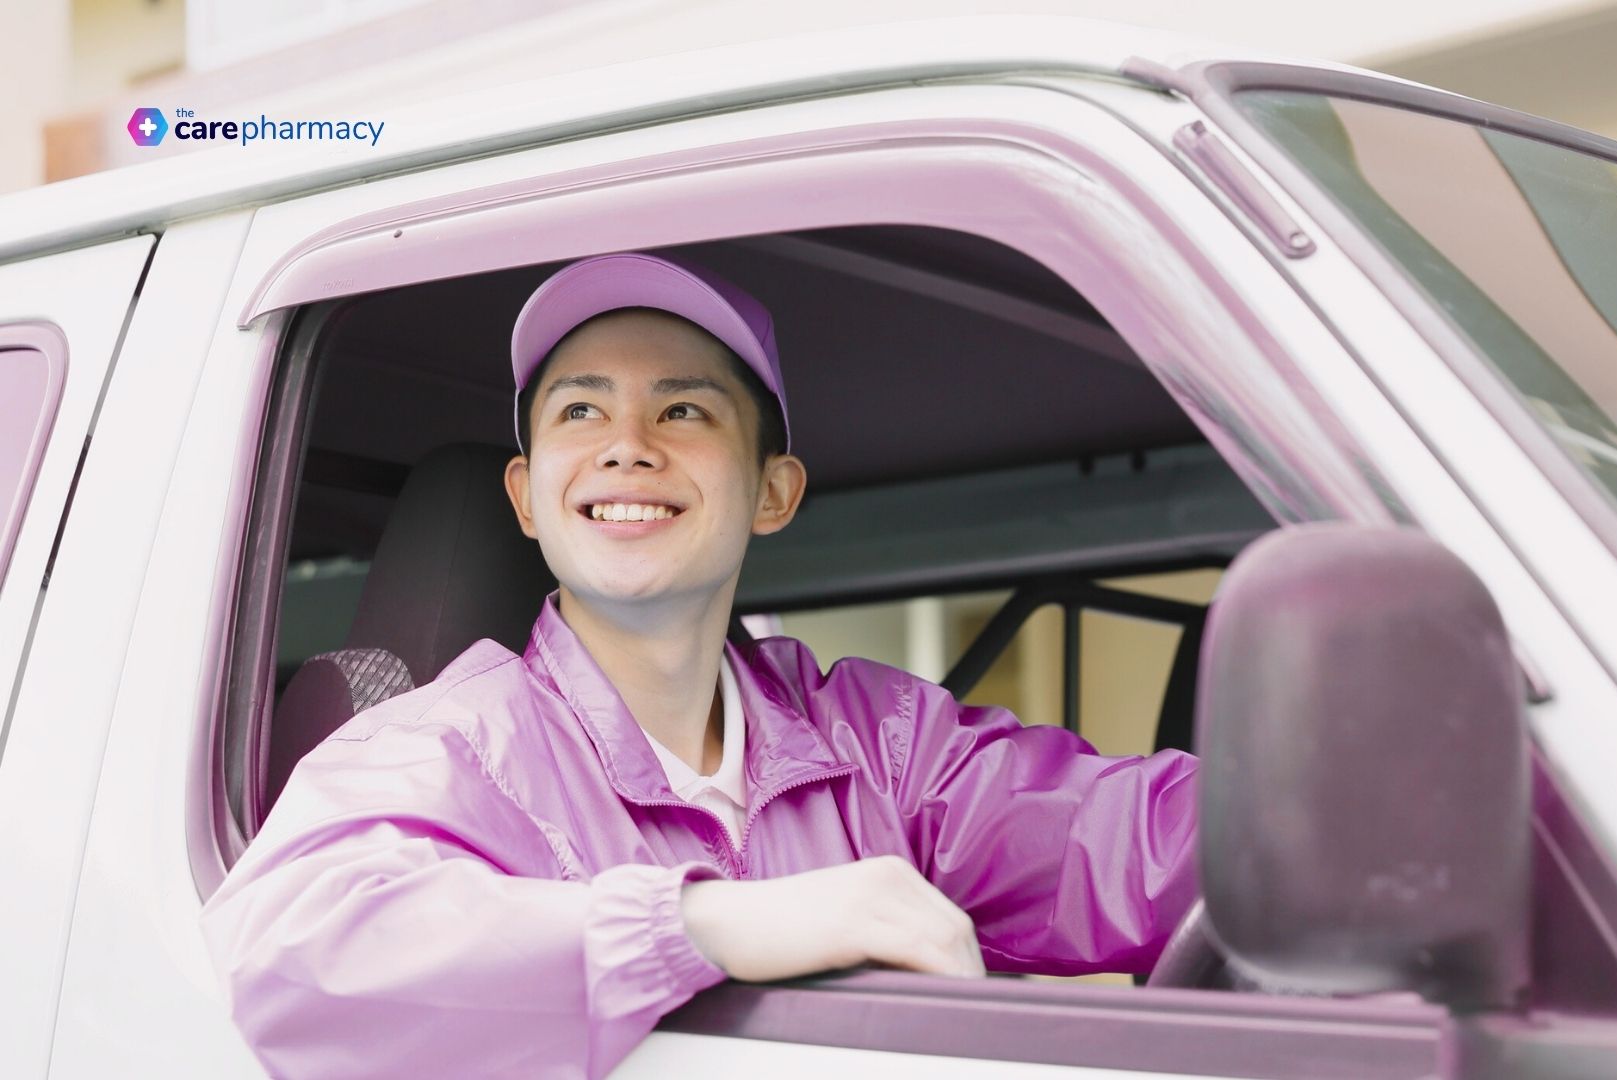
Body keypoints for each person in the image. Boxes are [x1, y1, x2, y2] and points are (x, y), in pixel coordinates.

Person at [200, 252, 1200, 1079]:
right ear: (527, 495)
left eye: (684, 412)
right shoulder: (449, 747)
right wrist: (703, 924)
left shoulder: (878, 742)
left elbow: (1132, 845)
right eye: (579, 414)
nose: (626, 446)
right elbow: (290, 958)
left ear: (773, 491)